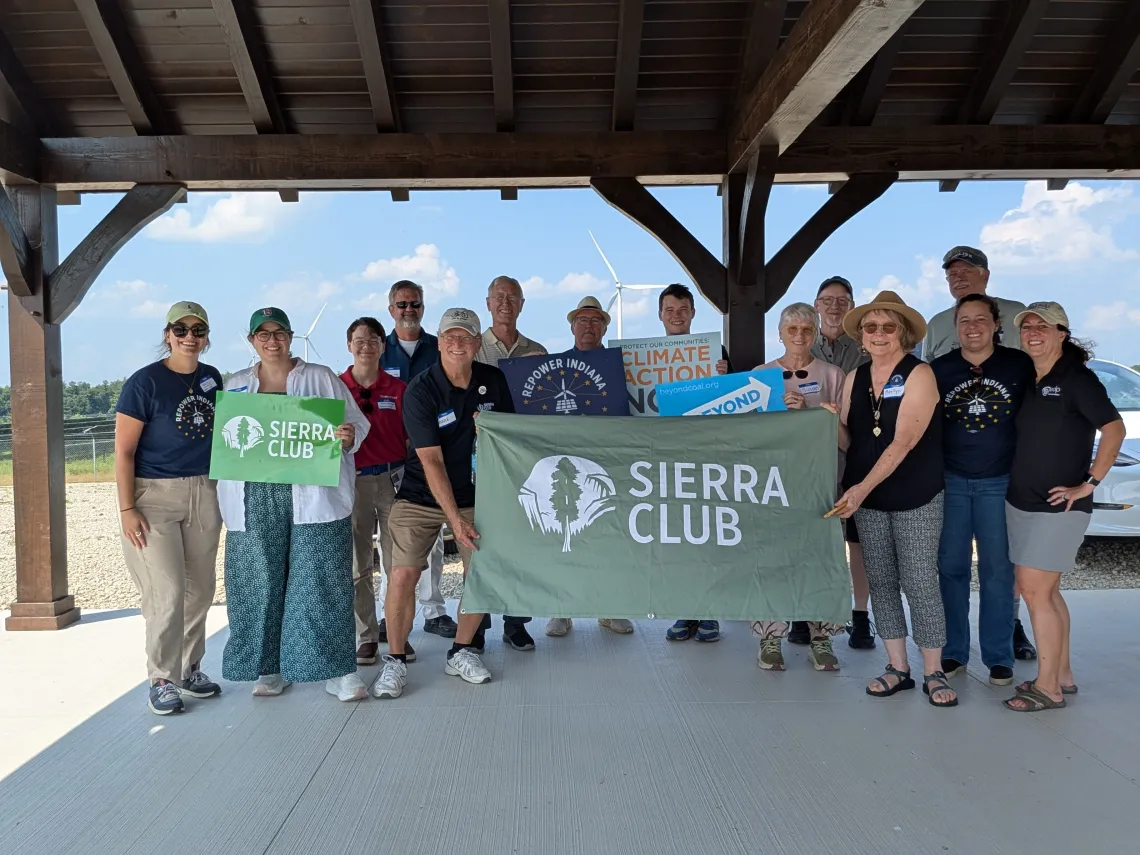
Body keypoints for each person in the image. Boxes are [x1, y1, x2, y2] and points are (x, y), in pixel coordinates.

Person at [218, 308, 372, 702]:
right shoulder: (235, 385)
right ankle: (269, 667)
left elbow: (357, 424)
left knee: (321, 580)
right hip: (253, 495)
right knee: (259, 581)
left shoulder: (321, 377)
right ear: (252, 340)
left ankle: (338, 670)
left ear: (290, 336)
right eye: (263, 334)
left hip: (315, 494)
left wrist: (348, 435)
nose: (272, 341)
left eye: (279, 333)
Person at [371, 308, 515, 698]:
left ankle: (462, 651)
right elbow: (430, 459)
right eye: (450, 336)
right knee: (403, 574)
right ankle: (396, 660)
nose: (458, 343)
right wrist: (454, 519)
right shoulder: (421, 389)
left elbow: (511, 441)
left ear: (476, 343)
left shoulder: (494, 381)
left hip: (478, 496)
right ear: (439, 341)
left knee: (479, 573)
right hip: (421, 494)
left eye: (466, 337)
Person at [836, 291, 958, 708]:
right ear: (861, 336)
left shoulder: (920, 374)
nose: (879, 333)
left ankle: (933, 671)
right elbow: (847, 438)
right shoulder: (855, 378)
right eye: (871, 327)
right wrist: (816, 417)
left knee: (920, 582)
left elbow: (904, 440)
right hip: (867, 498)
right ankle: (897, 667)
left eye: (889, 326)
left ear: (902, 332)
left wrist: (859, 489)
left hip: (915, 494)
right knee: (882, 584)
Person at [1002, 302, 1124, 712]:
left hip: (1058, 506)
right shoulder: (1029, 377)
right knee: (1047, 593)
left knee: (1036, 592)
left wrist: (1088, 483)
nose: (1033, 332)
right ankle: (1062, 675)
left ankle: (1048, 688)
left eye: (1043, 326)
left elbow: (1114, 427)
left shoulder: (1077, 379)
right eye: (1027, 326)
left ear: (1062, 334)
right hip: (1022, 501)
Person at [922, 246, 1036, 659]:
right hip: (950, 480)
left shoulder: (1018, 366)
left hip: (1000, 481)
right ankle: (953, 650)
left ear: (996, 324)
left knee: (998, 572)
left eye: (980, 320)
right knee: (950, 568)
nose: (972, 327)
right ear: (955, 326)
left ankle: (999, 654)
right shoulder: (939, 368)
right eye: (964, 321)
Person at [115, 301, 224, 716]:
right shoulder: (144, 383)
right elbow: (124, 451)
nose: (189, 336)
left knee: (201, 590)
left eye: (198, 329)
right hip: (153, 496)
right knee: (168, 591)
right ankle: (161, 676)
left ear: (206, 336)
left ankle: (188, 668)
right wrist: (127, 508)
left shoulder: (212, 378)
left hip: (204, 491)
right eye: (181, 329)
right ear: (167, 334)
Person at [752, 303, 847, 671]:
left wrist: (815, 413)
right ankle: (770, 635)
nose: (799, 336)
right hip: (771, 485)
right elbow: (744, 434)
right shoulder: (759, 376)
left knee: (821, 560)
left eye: (807, 329)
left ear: (816, 332)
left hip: (820, 484)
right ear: (779, 333)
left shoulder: (834, 375)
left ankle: (821, 638)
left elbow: (846, 441)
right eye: (791, 330)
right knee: (771, 559)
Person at [543, 296, 636, 639]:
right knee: (564, 534)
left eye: (595, 320)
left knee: (608, 535)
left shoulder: (623, 363)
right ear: (571, 326)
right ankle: (561, 609)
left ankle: (609, 607)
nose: (588, 326)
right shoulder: (556, 366)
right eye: (582, 320)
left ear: (605, 327)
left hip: (610, 460)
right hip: (567, 462)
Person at [377, 280, 457, 641]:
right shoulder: (378, 349)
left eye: (415, 304)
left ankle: (434, 609)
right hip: (388, 454)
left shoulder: (438, 347)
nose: (408, 310)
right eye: (402, 304)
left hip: (431, 454)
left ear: (423, 308)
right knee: (389, 540)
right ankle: (387, 613)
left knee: (433, 535)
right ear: (390, 308)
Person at [474, 275, 548, 651]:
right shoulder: (472, 348)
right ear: (488, 303)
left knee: (520, 541)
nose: (505, 302)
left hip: (522, 461)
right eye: (498, 297)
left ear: (522, 304)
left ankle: (516, 622)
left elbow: (548, 405)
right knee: (482, 541)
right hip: (478, 461)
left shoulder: (537, 349)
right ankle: (478, 622)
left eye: (512, 297)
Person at [656, 282, 729, 643]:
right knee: (678, 537)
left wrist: (724, 373)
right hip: (667, 457)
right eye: (669, 310)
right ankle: (686, 611)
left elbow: (734, 396)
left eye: (683, 310)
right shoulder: (646, 357)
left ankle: (710, 612)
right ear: (660, 315)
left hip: (706, 454)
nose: (676, 316)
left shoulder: (714, 351)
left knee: (708, 535)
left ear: (693, 314)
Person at [808, 275, 875, 650]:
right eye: (827, 300)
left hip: (860, 456)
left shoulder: (866, 349)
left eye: (842, 300)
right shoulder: (798, 345)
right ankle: (808, 614)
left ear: (851, 306)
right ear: (816, 305)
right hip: (813, 461)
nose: (834, 306)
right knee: (814, 538)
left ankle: (860, 615)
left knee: (857, 540)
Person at [341, 317, 408, 667]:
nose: (366, 346)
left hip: (393, 480)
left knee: (399, 563)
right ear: (349, 345)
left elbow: (412, 438)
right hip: (352, 481)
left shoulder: (399, 390)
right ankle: (366, 636)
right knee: (358, 564)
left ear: (384, 346)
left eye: (373, 340)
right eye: (359, 340)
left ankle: (398, 635)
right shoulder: (335, 388)